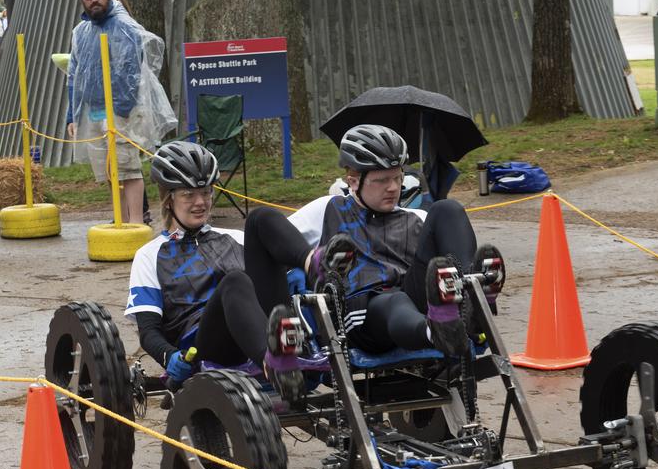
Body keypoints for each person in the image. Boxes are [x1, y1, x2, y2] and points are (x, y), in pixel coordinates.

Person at [276, 124, 502, 358]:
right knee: (395, 300)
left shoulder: (416, 217)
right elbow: (278, 240)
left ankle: (473, 301)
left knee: (447, 208)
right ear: (353, 181)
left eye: (397, 177)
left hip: (415, 300)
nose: (393, 188)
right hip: (361, 314)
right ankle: (435, 334)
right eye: (382, 180)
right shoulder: (328, 209)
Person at [126, 142, 305, 394]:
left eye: (206, 192)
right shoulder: (148, 255)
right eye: (189, 194)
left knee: (260, 218)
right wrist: (169, 355)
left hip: (259, 328)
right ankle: (273, 365)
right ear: (168, 199)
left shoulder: (235, 238)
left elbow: (272, 286)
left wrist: (295, 273)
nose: (201, 202)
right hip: (205, 347)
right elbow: (148, 331)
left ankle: (313, 261)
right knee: (235, 281)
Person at [66, 0, 176, 229]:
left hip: (121, 111)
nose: (94, 0)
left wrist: (122, 112)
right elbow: (74, 75)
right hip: (94, 110)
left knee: (127, 168)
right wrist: (72, 115)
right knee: (108, 169)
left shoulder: (124, 26)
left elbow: (131, 72)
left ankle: (136, 223)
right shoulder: (80, 32)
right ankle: (121, 219)